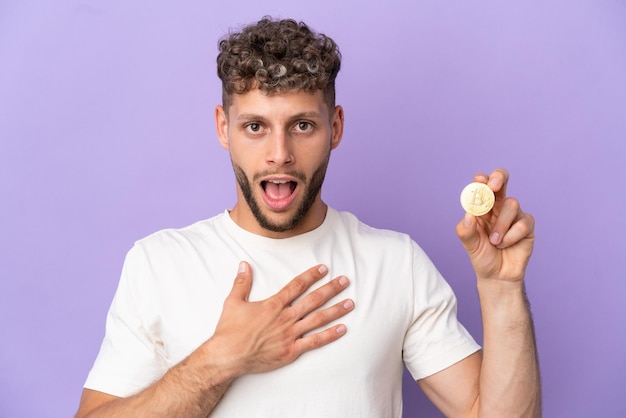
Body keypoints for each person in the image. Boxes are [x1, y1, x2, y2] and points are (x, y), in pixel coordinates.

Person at [76, 17, 541, 417]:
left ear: (334, 127)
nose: (279, 155)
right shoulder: (158, 263)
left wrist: (501, 290)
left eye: (302, 125)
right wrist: (222, 358)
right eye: (255, 127)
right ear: (224, 128)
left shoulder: (396, 263)